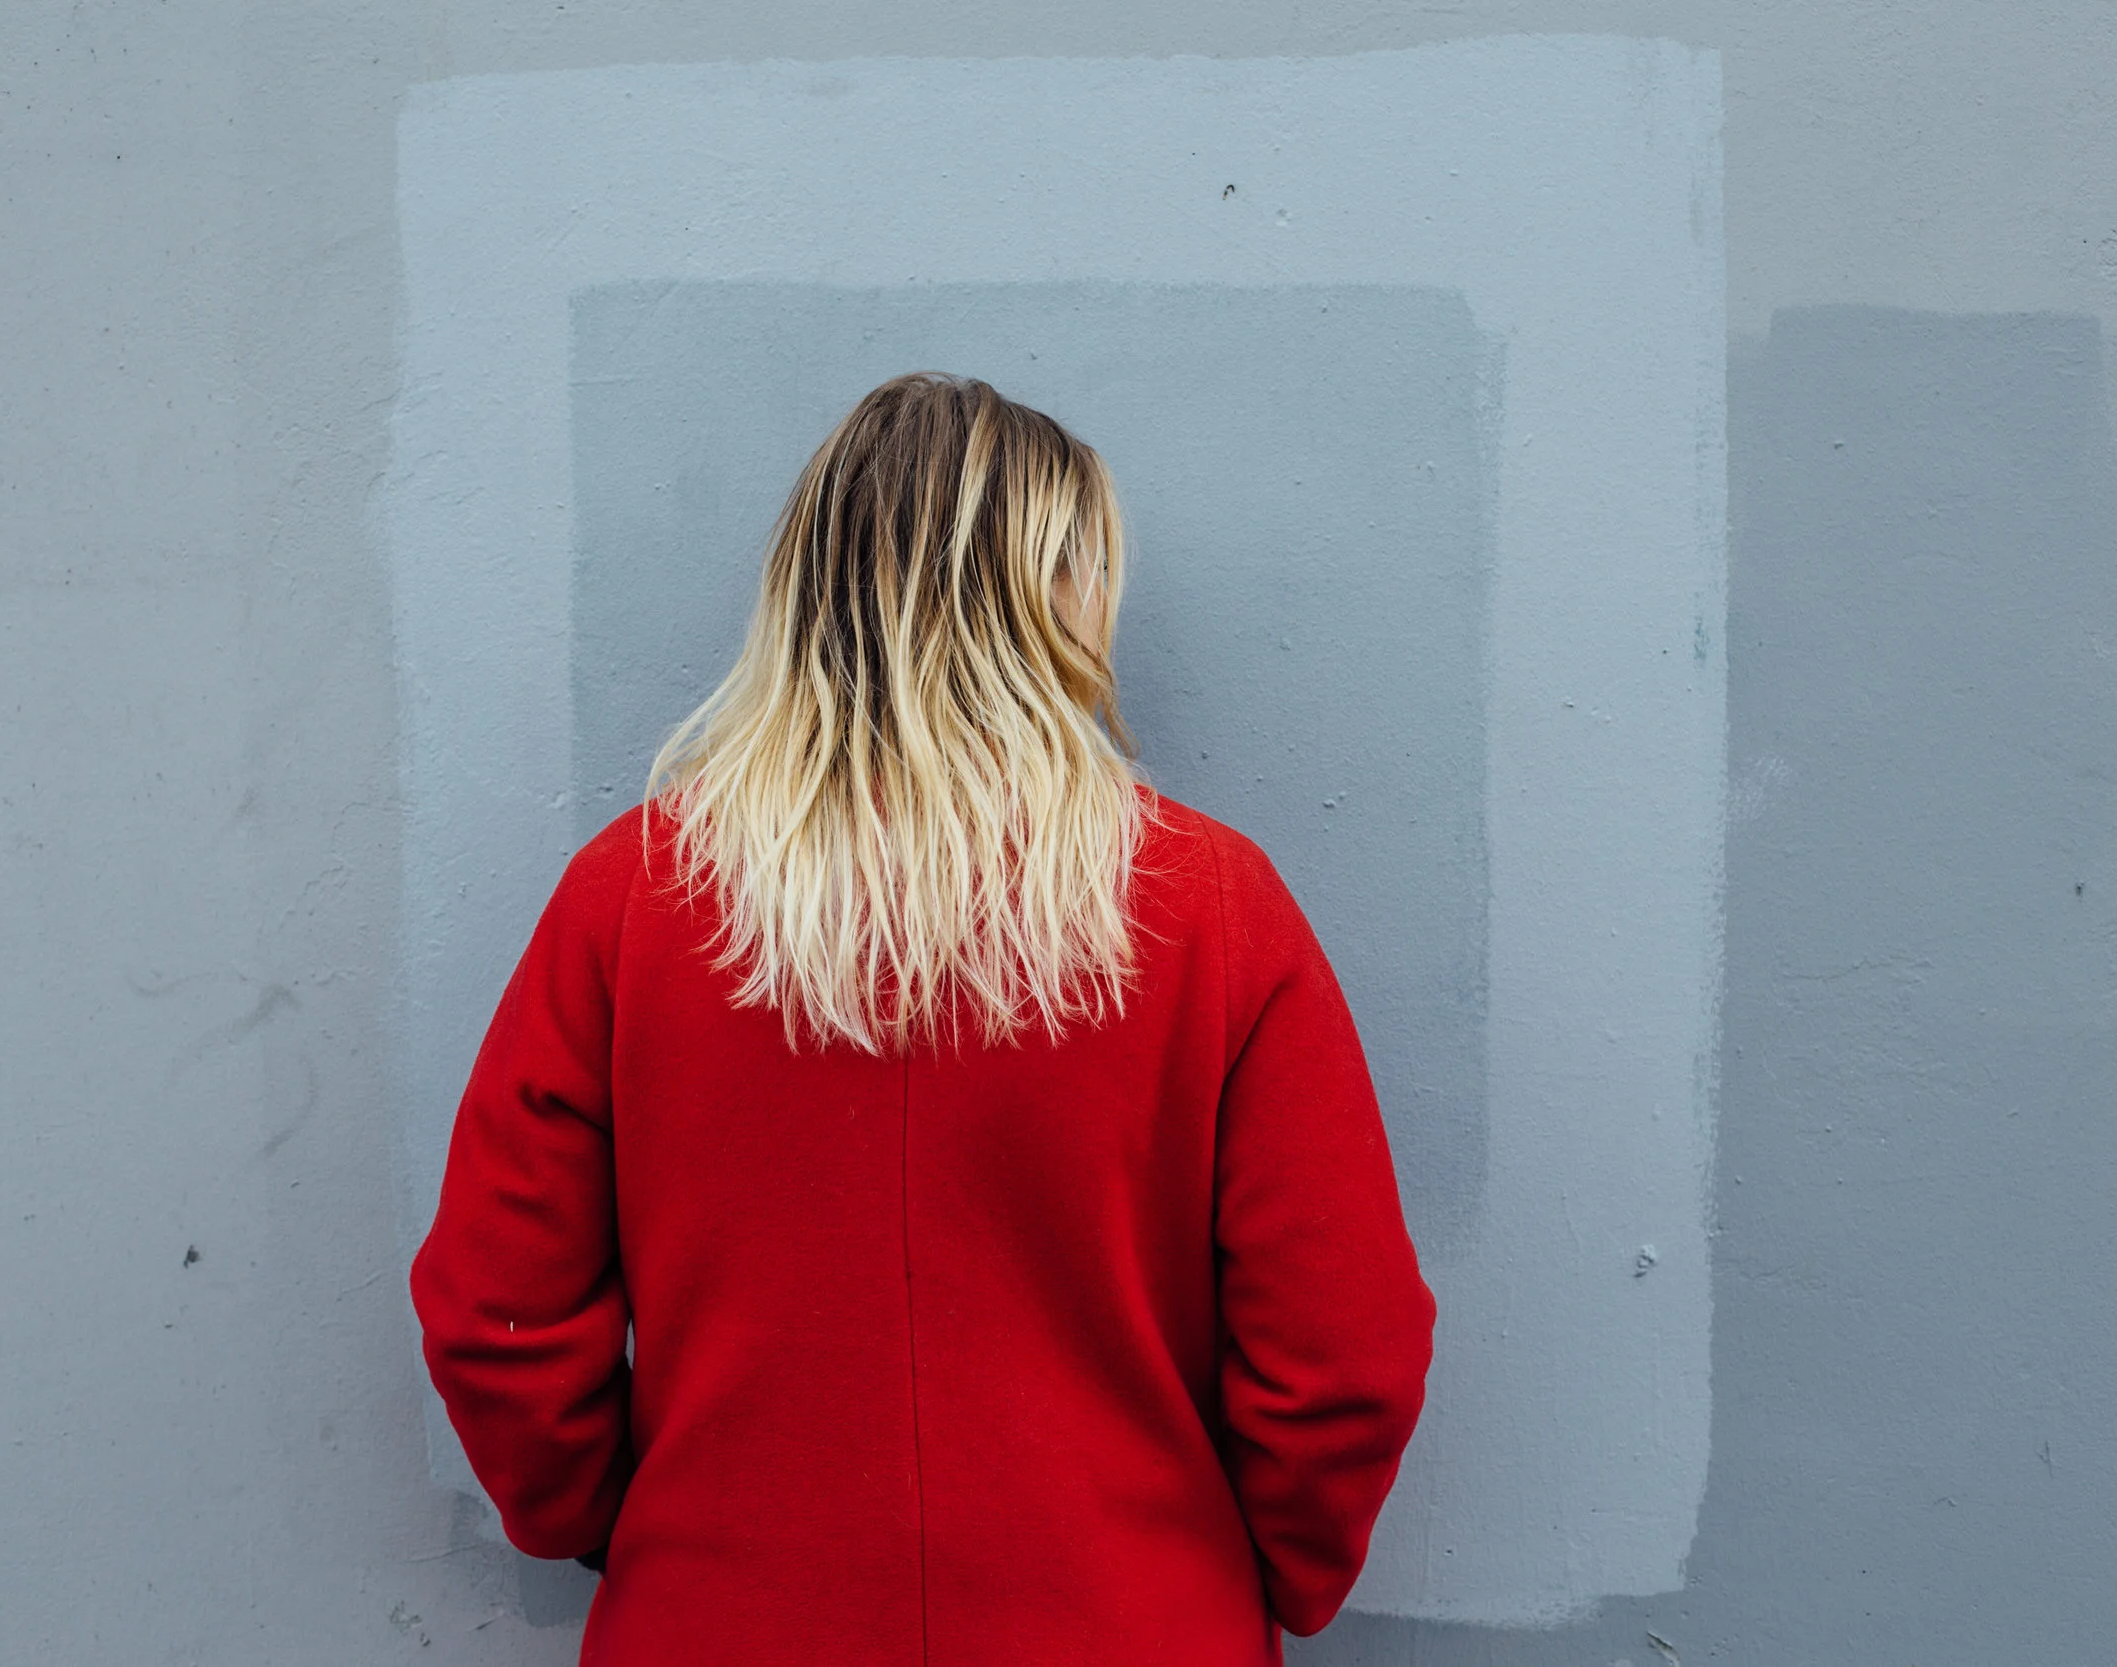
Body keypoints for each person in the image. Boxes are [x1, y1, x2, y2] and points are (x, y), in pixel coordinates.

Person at [410, 371, 1436, 1664]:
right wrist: (1235, 1570)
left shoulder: (634, 895)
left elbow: (494, 1313)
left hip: (720, 1620)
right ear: (1059, 592)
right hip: (1130, 1621)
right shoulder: (1208, 904)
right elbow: (1343, 1355)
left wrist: (644, 1526)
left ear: (810, 588)